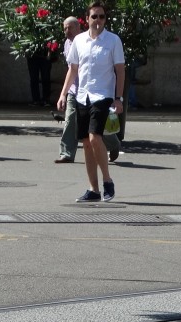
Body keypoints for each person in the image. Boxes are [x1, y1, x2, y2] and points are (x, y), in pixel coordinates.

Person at [57, 1, 125, 203]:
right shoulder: (78, 40)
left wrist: (118, 98)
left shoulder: (113, 41)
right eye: (94, 16)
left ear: (105, 19)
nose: (98, 20)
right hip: (82, 95)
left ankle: (107, 181)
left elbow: (120, 70)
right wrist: (62, 94)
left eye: (101, 17)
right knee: (86, 143)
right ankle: (93, 189)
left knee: (95, 137)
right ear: (86, 19)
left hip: (102, 95)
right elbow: (73, 69)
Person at [54, 15, 119, 165]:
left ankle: (113, 144)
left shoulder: (87, 41)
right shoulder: (67, 44)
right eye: (65, 29)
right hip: (74, 90)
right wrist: (63, 94)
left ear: (78, 27)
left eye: (70, 28)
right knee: (70, 120)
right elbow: (72, 69)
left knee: (96, 124)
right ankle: (66, 153)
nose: (67, 31)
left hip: (94, 91)